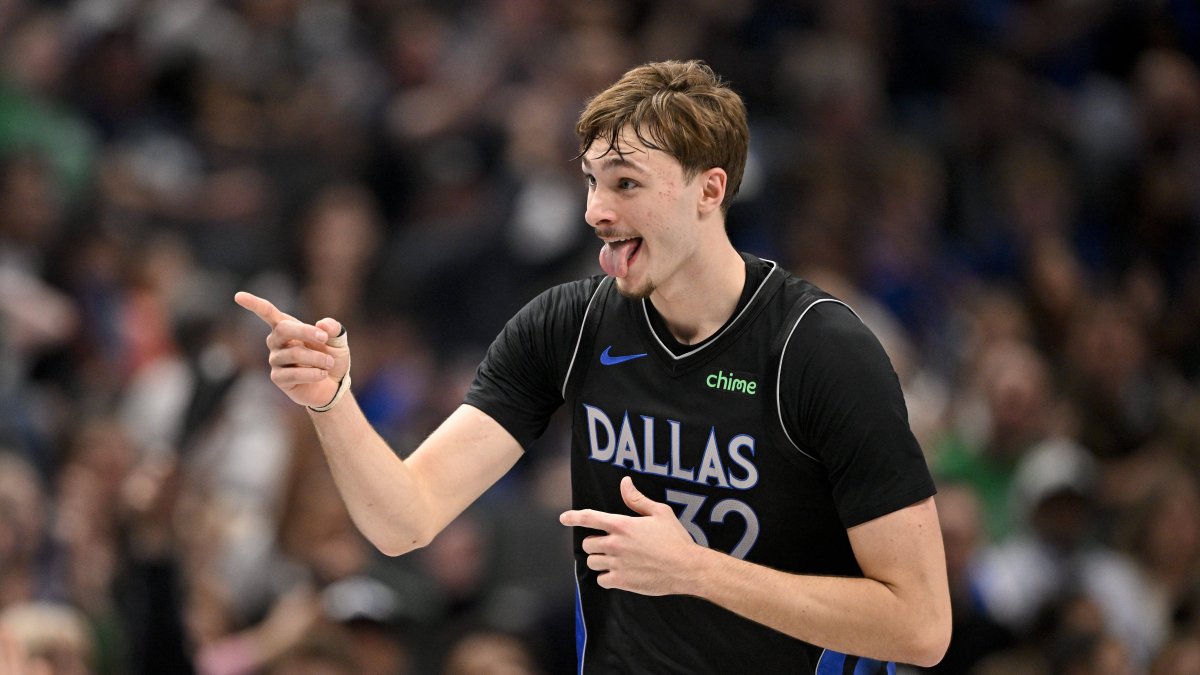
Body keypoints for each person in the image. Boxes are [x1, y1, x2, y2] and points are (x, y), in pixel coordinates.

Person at [235, 60, 950, 674]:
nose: (596, 210)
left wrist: (696, 570)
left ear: (710, 189)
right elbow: (405, 519)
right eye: (590, 182)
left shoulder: (818, 349)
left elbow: (921, 624)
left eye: (627, 183)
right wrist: (332, 401)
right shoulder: (569, 326)